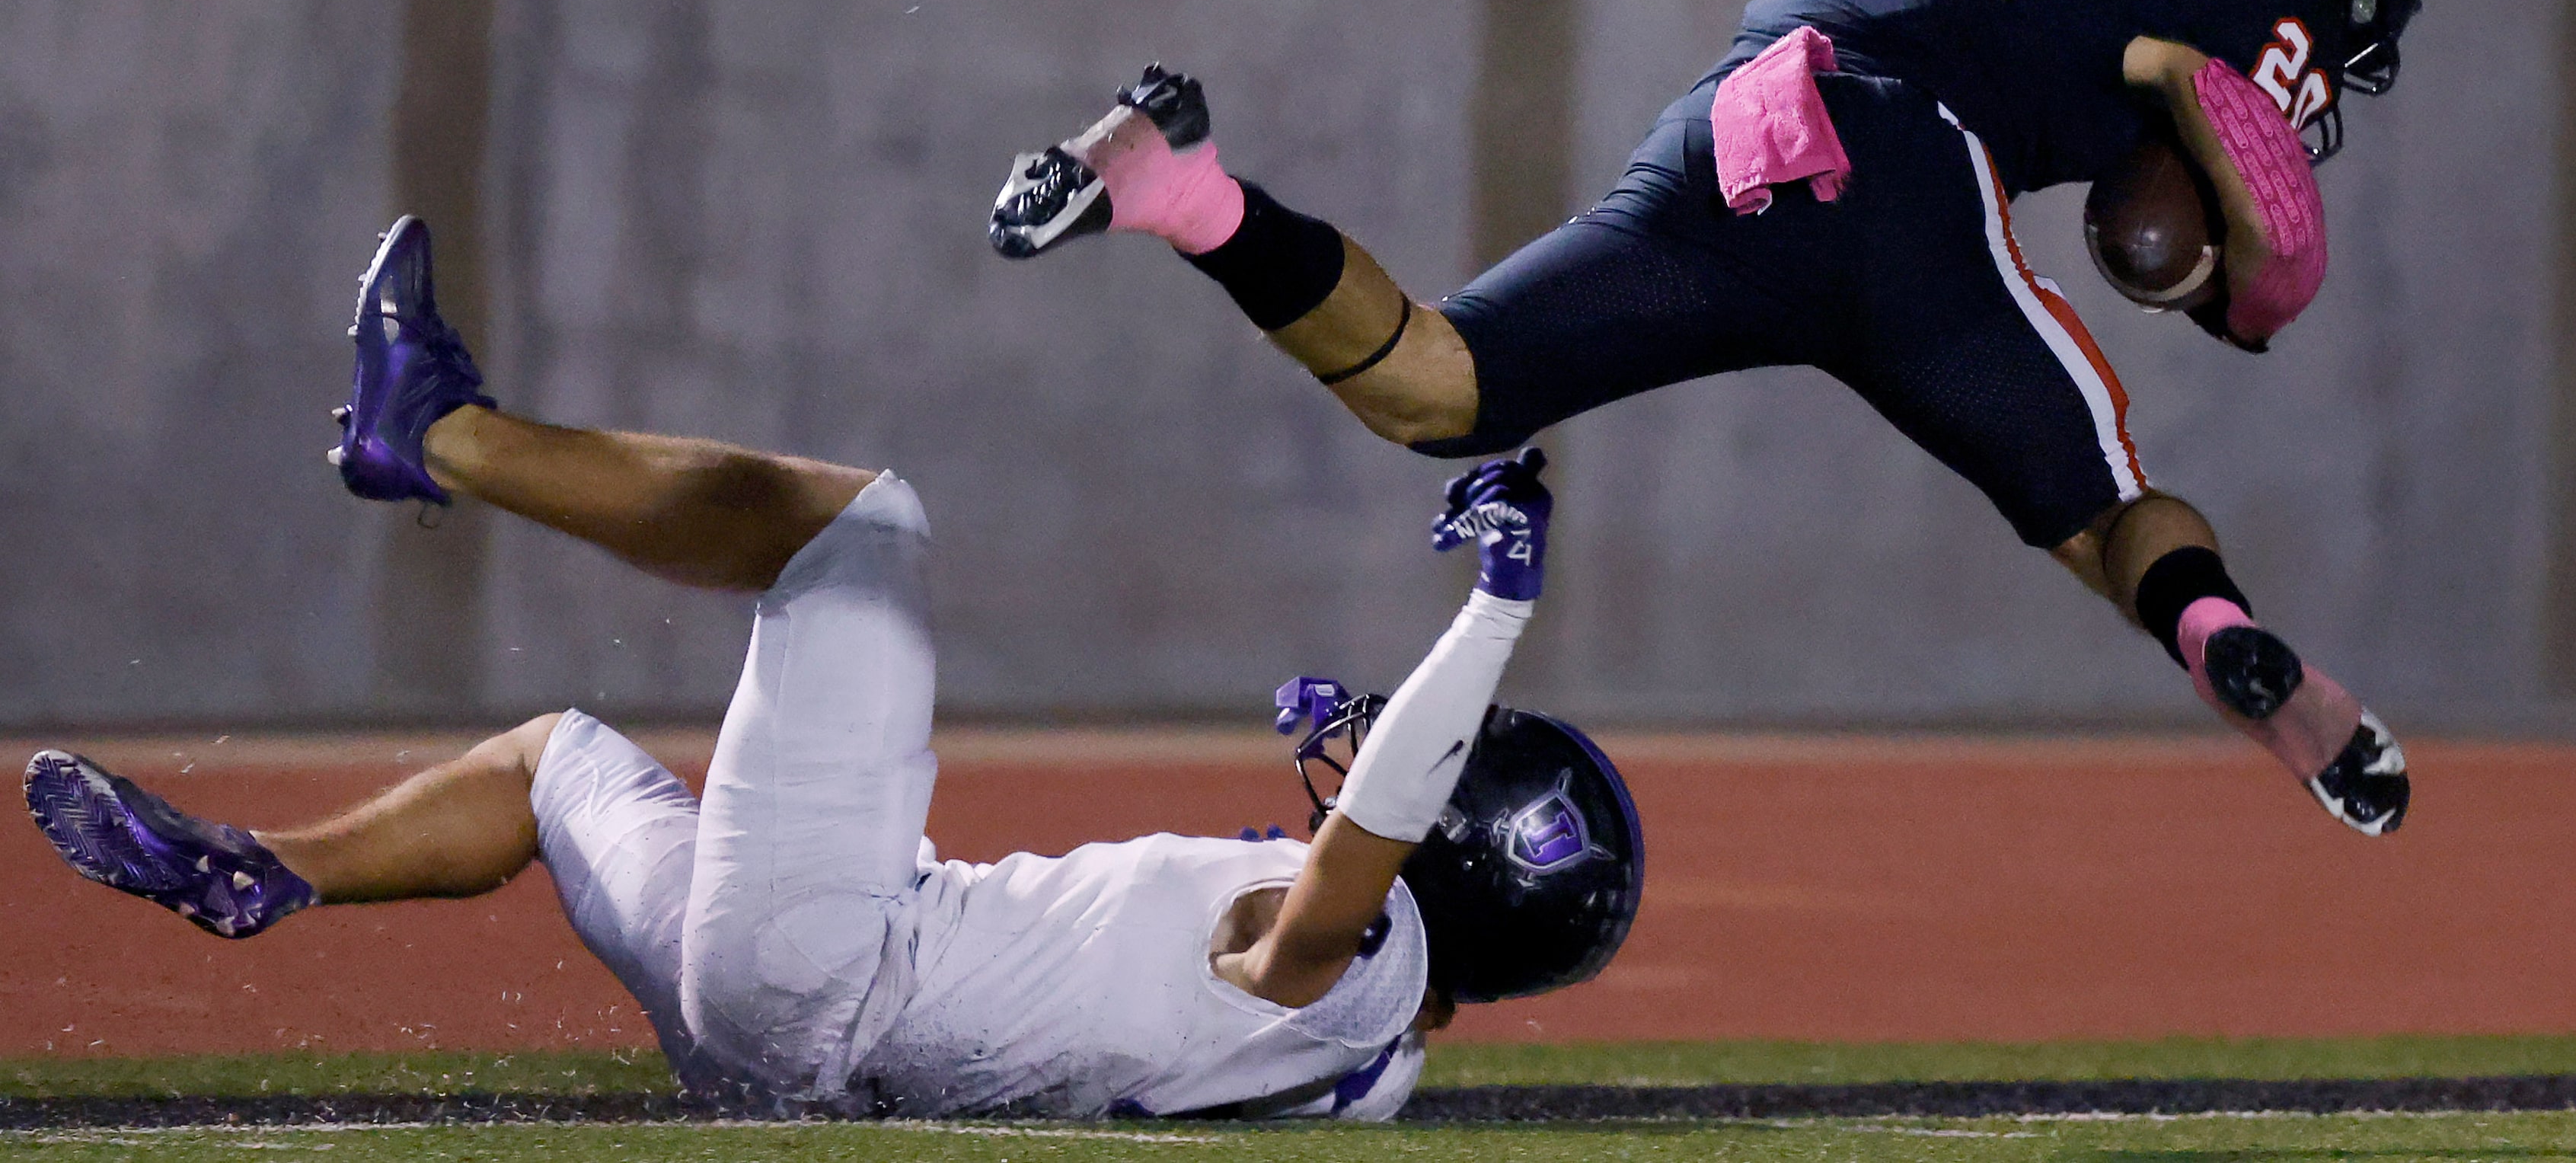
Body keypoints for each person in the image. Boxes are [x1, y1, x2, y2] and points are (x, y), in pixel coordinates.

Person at [990, 0, 2443, 838]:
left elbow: (2072, 27)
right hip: (1903, 159)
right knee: (2105, 508)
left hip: (1757, 101)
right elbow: (2251, 247)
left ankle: (1186, 191)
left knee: (1442, 386)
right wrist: (2232, 273)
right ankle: (2221, 640)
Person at [22, 218, 1642, 1120]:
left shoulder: (1346, 963)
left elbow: (1333, 889)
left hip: (835, 963)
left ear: (1453, 850)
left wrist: (1494, 606)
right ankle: (263, 873)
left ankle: (436, 431)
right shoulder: (1366, 1069)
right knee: (549, 761)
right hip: (791, 1054)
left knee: (867, 531)